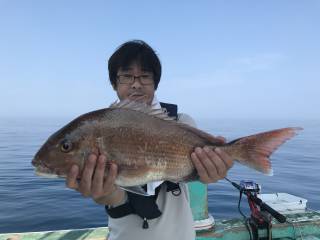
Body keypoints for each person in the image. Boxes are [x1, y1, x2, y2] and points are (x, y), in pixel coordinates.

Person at [66, 40, 233, 240]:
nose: (136, 83)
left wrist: (211, 173)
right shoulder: (102, 129)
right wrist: (104, 194)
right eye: (127, 76)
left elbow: (197, 174)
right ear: (114, 83)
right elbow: (117, 198)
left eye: (145, 76)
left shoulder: (180, 122)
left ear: (155, 82)